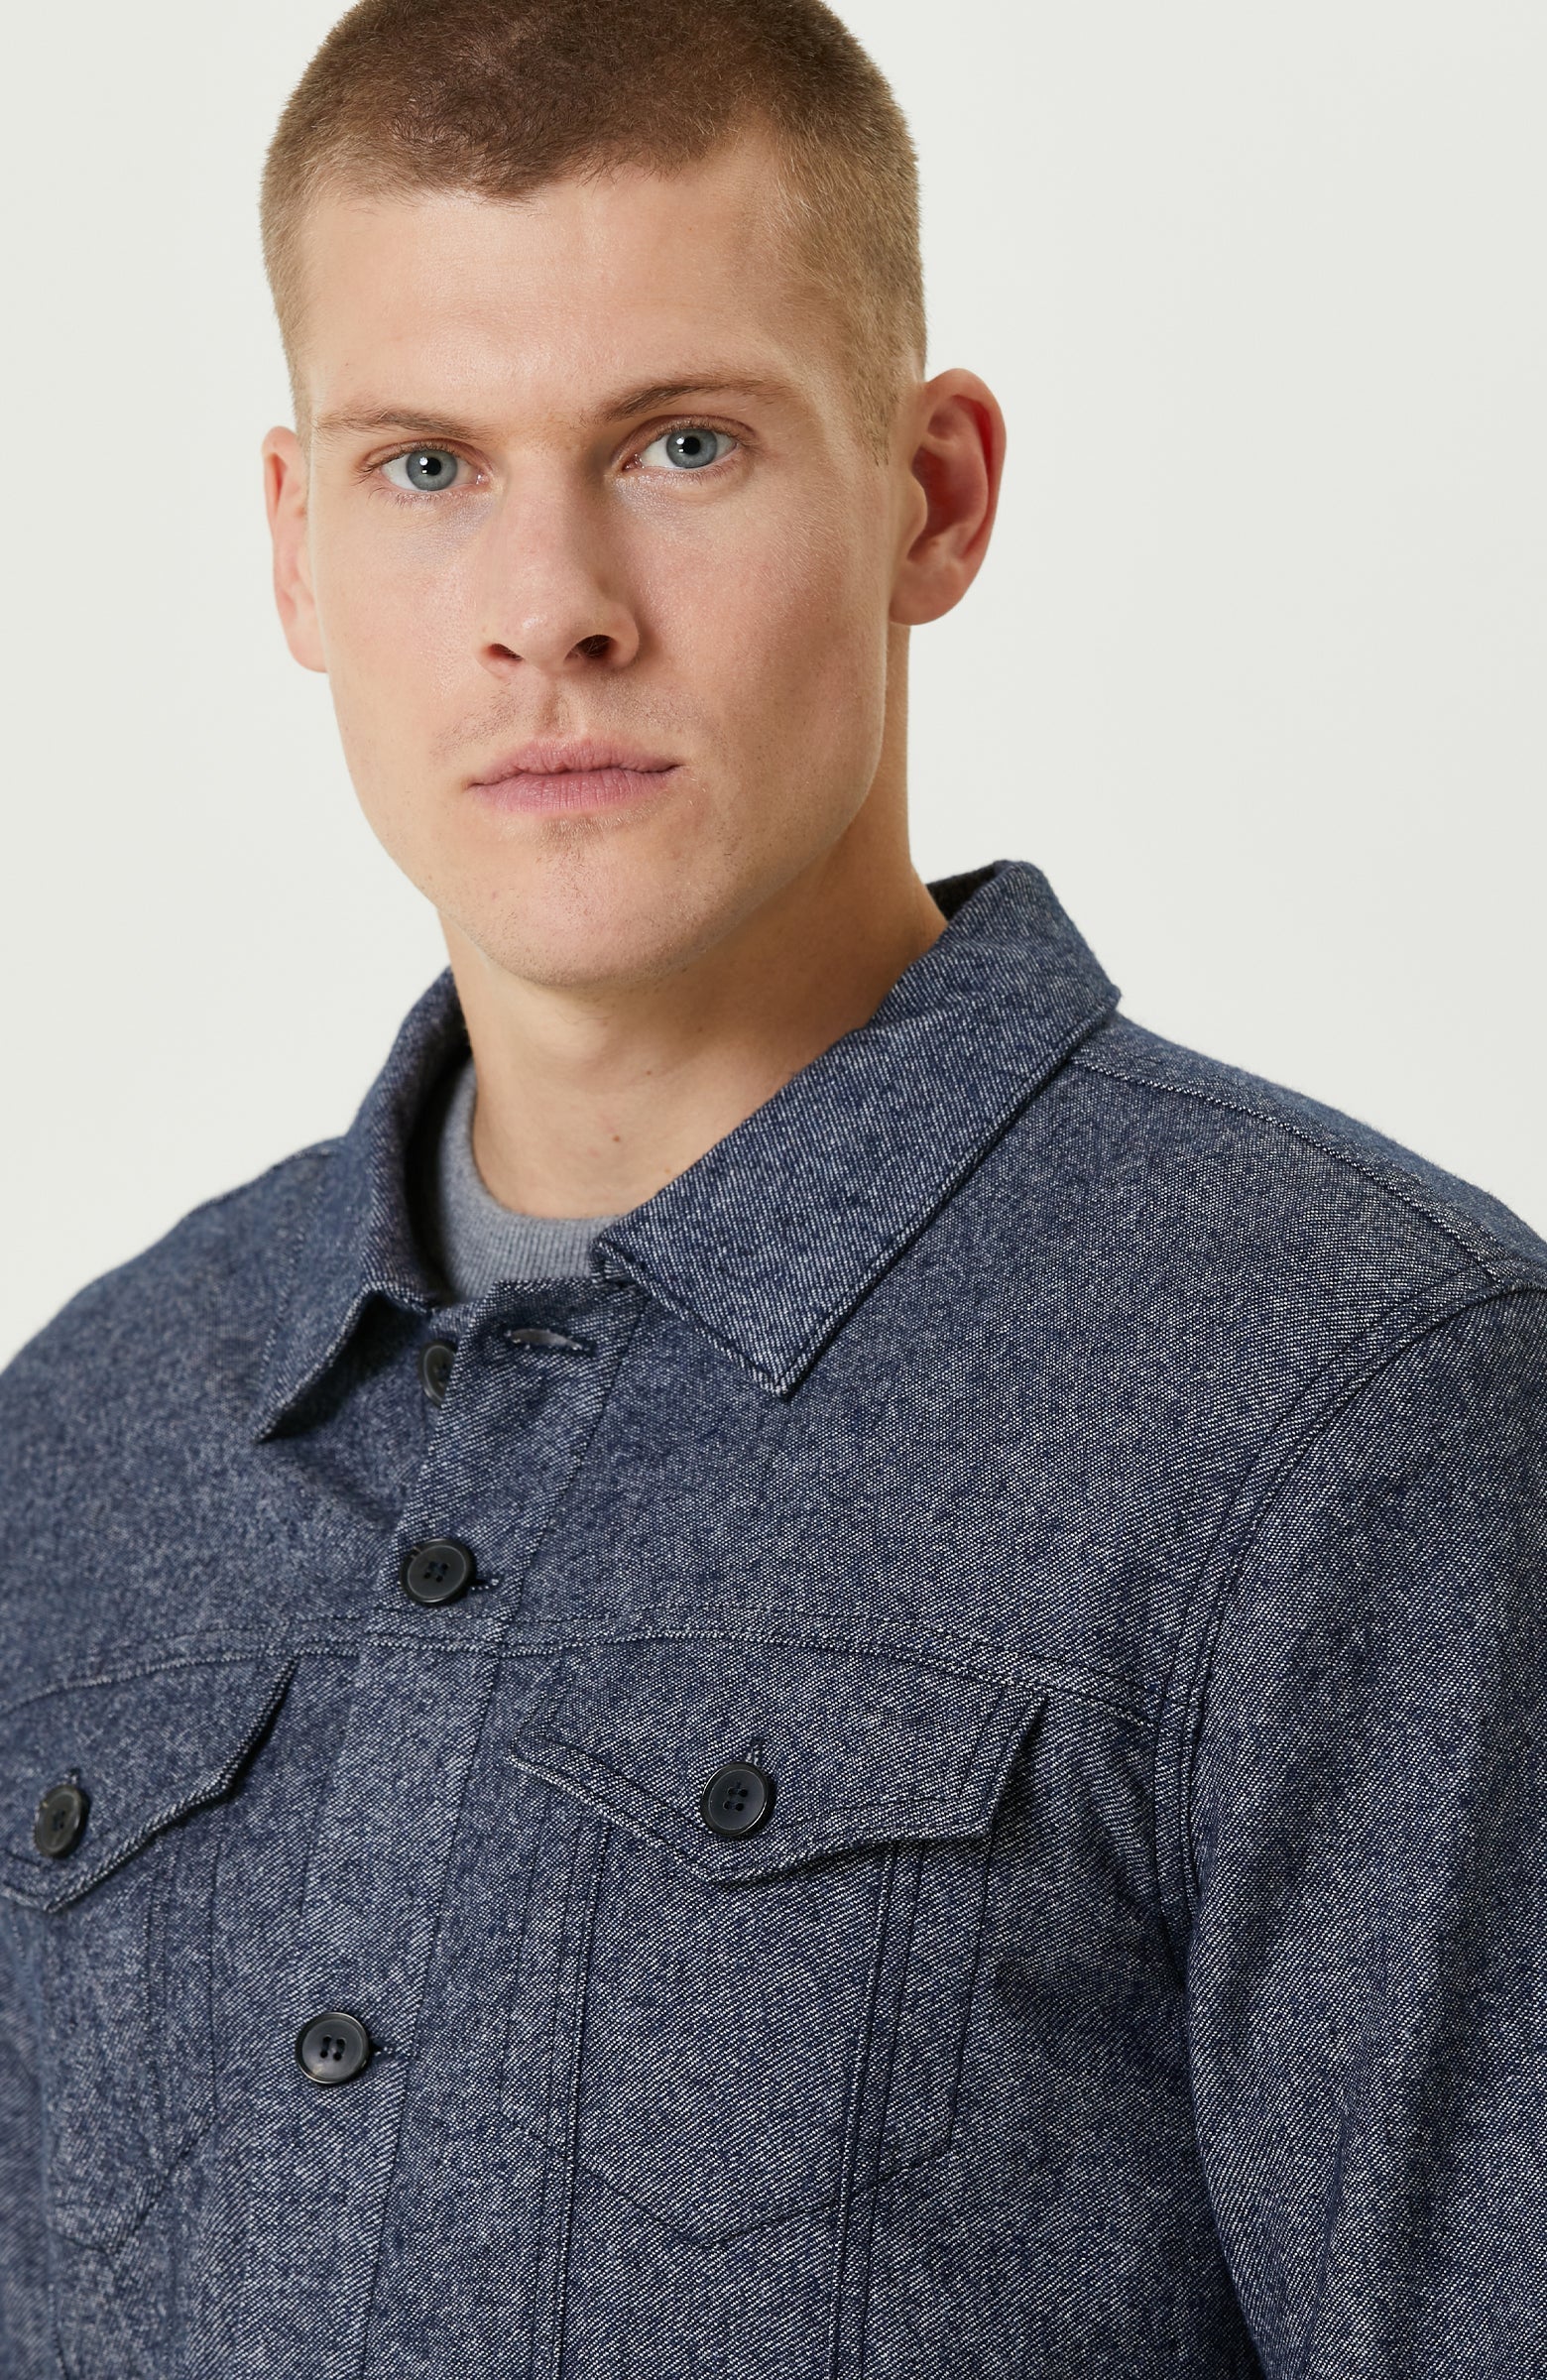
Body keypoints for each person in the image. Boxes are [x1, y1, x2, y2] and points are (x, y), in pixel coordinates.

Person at [1, 0, 1543, 2371]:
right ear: (297, 545)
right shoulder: (81, 1445)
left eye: (683, 443)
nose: (551, 603)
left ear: (933, 495)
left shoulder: (1364, 1415)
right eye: (429, 467)